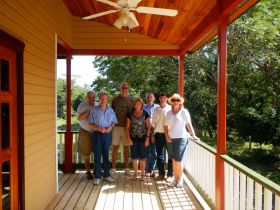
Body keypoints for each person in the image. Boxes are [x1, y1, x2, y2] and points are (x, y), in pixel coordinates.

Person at [164, 93, 199, 188]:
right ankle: (175, 178)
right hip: (170, 139)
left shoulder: (184, 112)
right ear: (171, 102)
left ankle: (180, 179)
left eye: (177, 100)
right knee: (174, 160)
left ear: (180, 102)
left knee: (178, 160)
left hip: (181, 139)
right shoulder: (168, 113)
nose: (175, 102)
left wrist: (193, 135)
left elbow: (188, 124)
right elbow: (165, 126)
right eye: (174, 100)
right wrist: (167, 136)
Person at [88, 92, 118, 185]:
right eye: (102, 99)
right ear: (99, 99)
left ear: (107, 100)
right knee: (97, 155)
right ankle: (97, 177)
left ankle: (106, 175)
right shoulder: (94, 110)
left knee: (106, 155)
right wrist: (99, 128)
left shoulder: (111, 110)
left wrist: (110, 127)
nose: (103, 101)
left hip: (107, 134)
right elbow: (90, 124)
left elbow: (114, 122)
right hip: (97, 134)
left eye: (105, 99)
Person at [111, 82, 133, 177]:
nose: (124, 89)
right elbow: (110, 113)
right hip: (116, 127)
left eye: (126, 87)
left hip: (126, 128)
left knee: (126, 148)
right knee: (115, 148)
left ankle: (127, 168)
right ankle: (113, 168)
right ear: (120, 88)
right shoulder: (115, 99)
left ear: (128, 89)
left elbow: (133, 114)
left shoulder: (131, 100)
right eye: (122, 87)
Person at [126, 98, 150, 181]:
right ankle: (136, 174)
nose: (137, 105)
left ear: (142, 105)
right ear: (134, 105)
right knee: (134, 157)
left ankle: (143, 174)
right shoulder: (130, 114)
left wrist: (147, 138)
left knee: (143, 157)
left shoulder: (145, 114)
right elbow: (127, 128)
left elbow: (148, 127)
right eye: (136, 104)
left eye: (139, 104)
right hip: (133, 139)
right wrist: (128, 138)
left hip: (143, 139)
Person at [151, 92, 173, 181]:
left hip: (169, 134)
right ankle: (161, 174)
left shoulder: (171, 109)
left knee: (170, 155)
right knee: (159, 155)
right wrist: (152, 135)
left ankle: (170, 175)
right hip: (158, 134)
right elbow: (153, 124)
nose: (162, 99)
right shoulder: (156, 110)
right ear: (158, 99)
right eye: (160, 98)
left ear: (167, 98)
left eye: (164, 98)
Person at [77, 91, 96, 179]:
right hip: (85, 132)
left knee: (97, 151)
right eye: (90, 97)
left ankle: (96, 170)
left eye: (93, 97)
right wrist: (89, 111)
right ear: (87, 97)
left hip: (96, 132)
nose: (92, 99)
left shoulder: (98, 104)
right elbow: (79, 118)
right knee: (86, 152)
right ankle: (88, 171)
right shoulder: (82, 105)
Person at [143, 93, 159, 177]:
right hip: (146, 132)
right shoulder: (143, 107)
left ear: (154, 98)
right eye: (148, 97)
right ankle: (146, 170)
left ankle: (152, 170)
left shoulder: (158, 107)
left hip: (156, 131)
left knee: (154, 152)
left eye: (151, 97)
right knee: (146, 151)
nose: (149, 99)